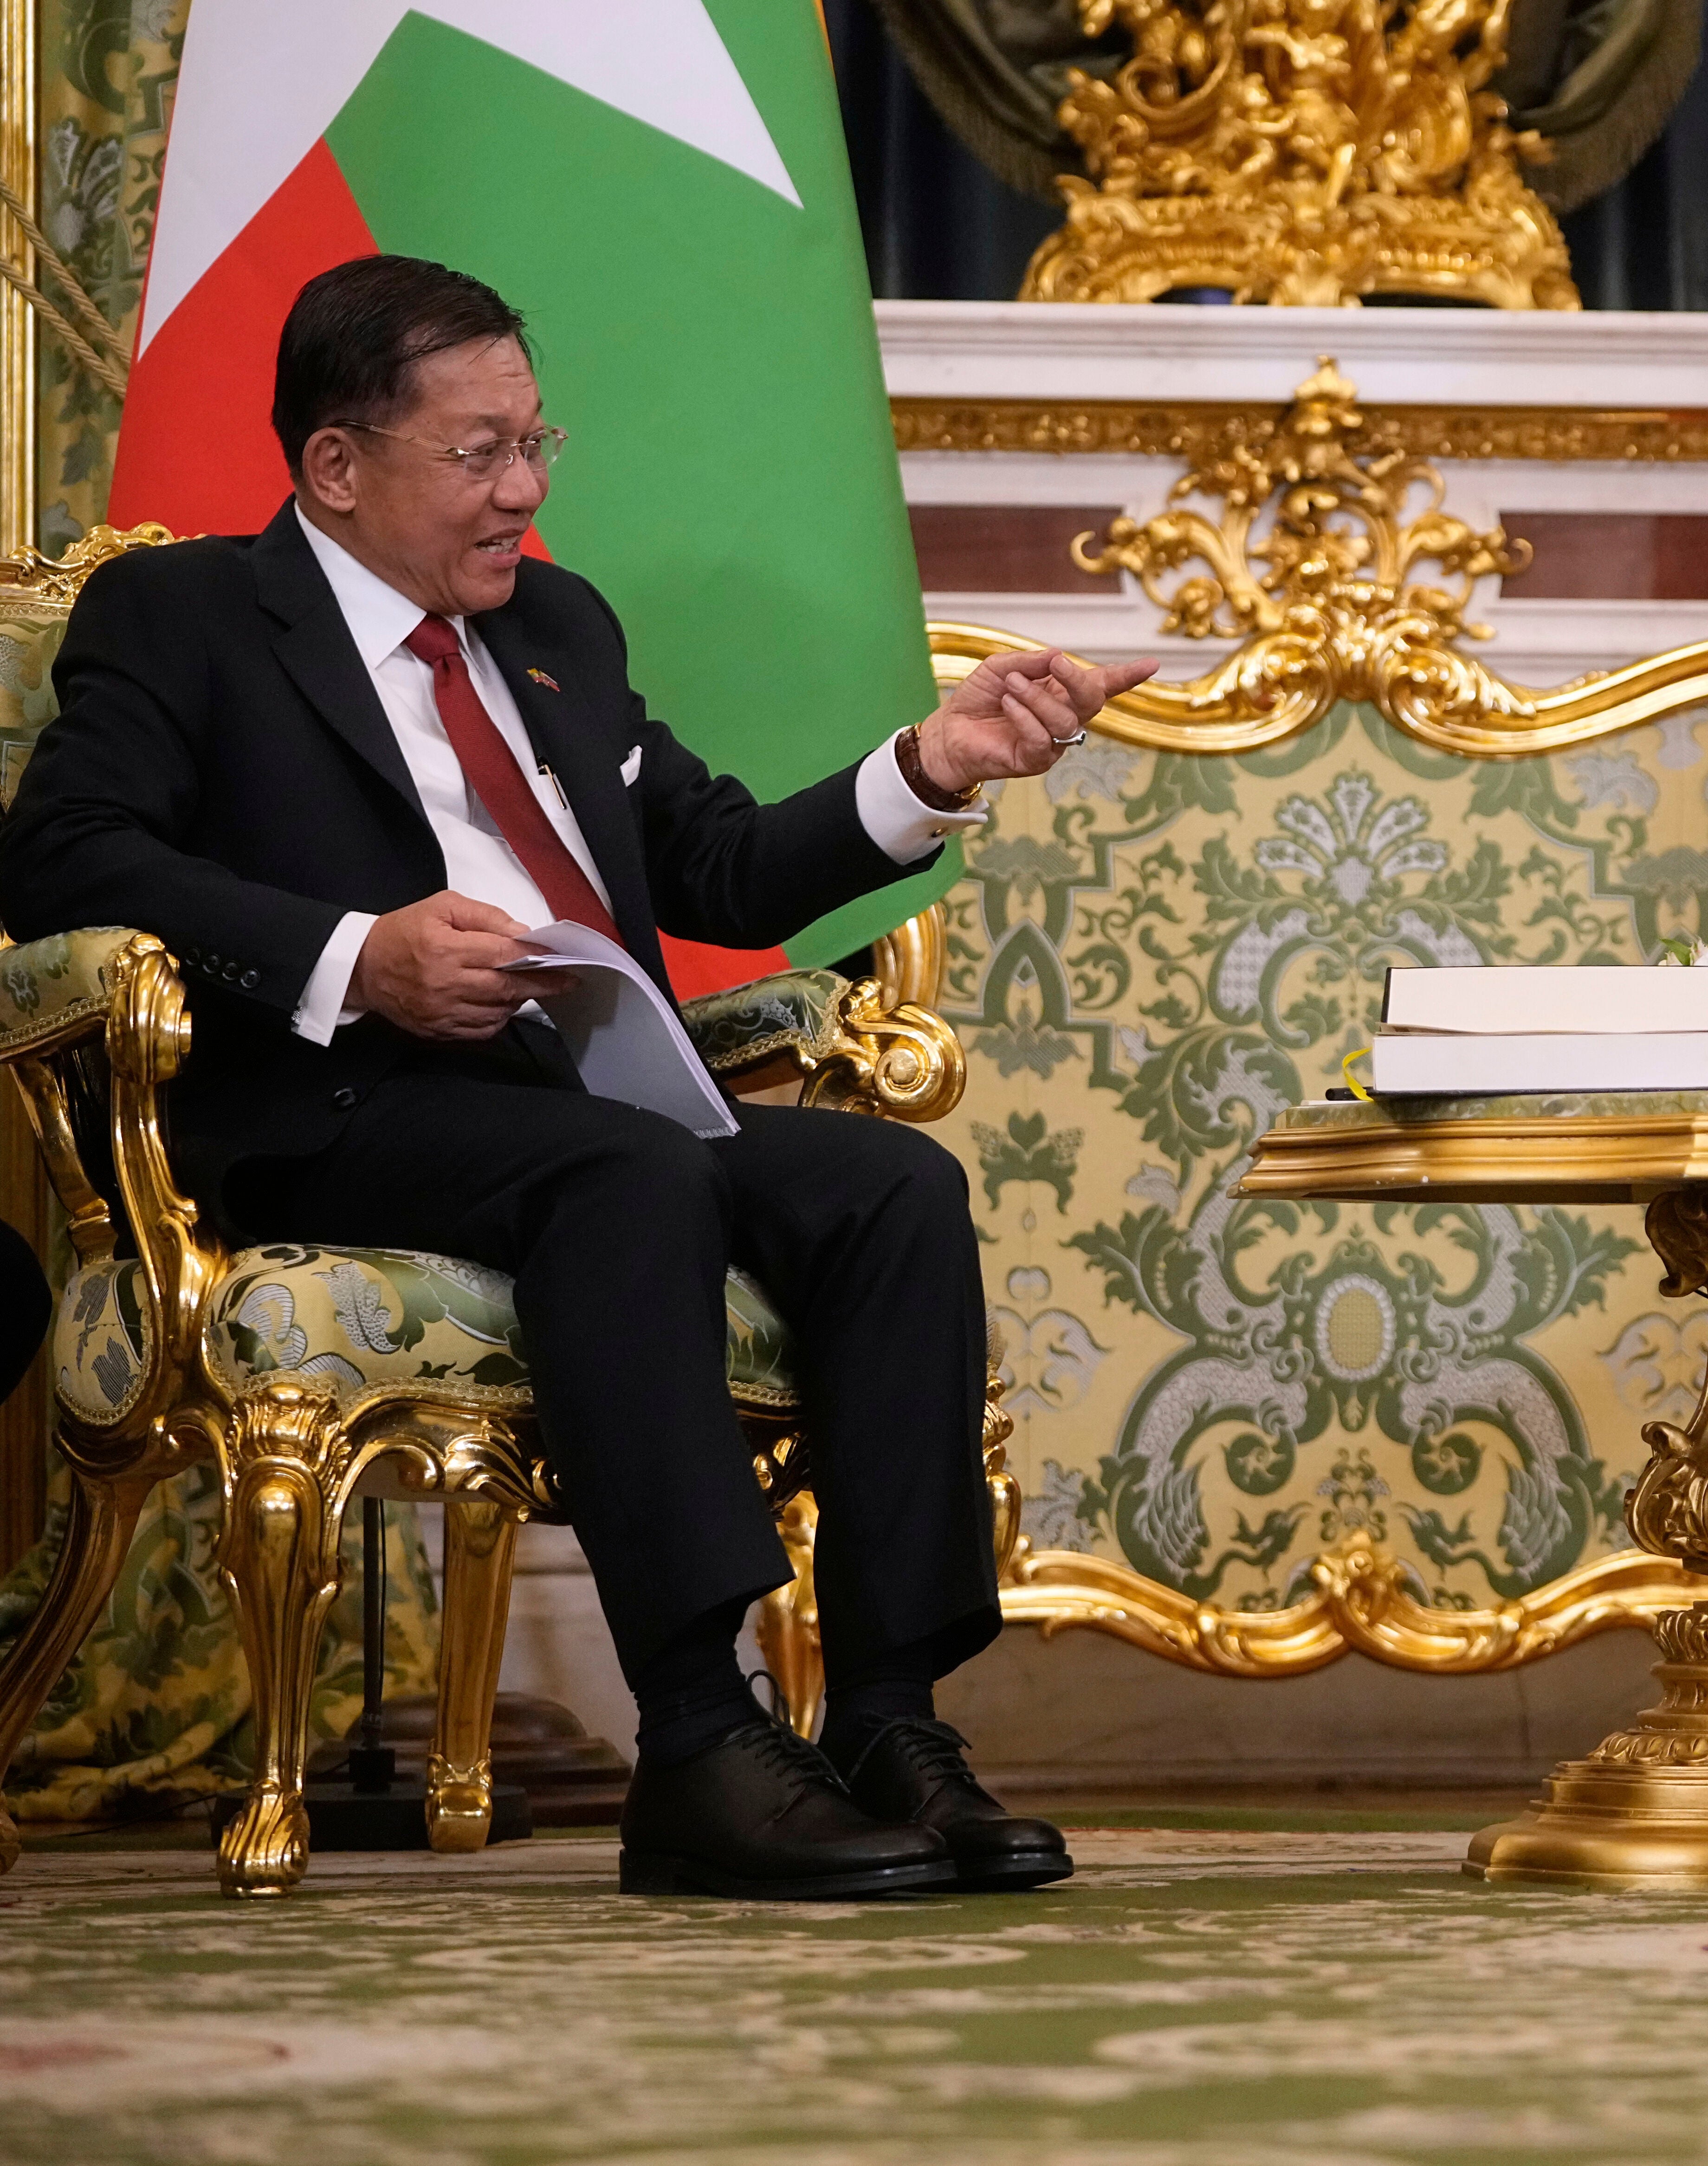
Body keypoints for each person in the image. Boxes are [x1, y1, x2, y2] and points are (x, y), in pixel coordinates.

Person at [0, 255, 1155, 1901]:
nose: (526, 488)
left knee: (891, 1187)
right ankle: (696, 1733)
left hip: (577, 1106)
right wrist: (354, 952)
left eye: (539, 443)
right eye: (479, 453)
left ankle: (894, 1720)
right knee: (635, 1172)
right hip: (333, 1110)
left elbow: (723, 867)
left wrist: (933, 767)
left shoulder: (557, 623)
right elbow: (58, 857)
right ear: (336, 465)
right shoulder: (183, 619)